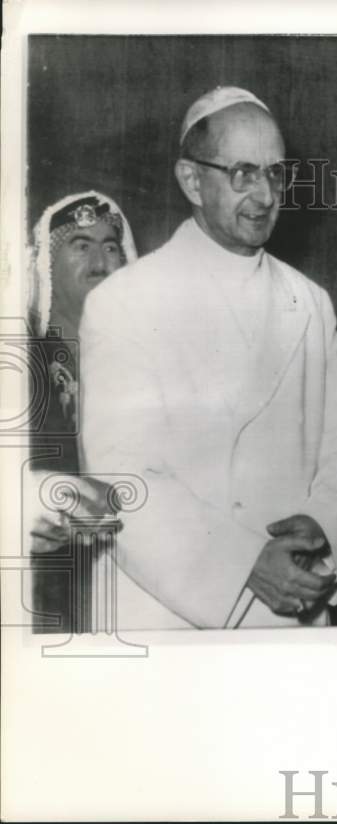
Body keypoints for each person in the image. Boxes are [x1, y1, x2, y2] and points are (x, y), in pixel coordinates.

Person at [79, 87, 337, 629]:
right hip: (167, 612)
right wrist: (242, 563)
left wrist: (323, 520)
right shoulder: (124, 302)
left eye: (275, 172)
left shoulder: (308, 301)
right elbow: (122, 478)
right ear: (192, 180)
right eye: (242, 172)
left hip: (290, 611)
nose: (264, 195)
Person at [25, 191, 137, 632]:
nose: (100, 259)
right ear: (47, 267)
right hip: (47, 581)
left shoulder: (150, 361)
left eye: (112, 246)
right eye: (81, 245)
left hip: (133, 575)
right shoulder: (21, 361)